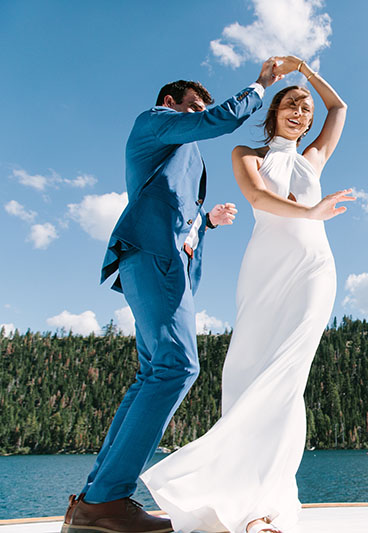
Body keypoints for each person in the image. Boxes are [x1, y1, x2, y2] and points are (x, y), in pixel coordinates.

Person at [62, 60, 279, 533]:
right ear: (170, 104)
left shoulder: (178, 152)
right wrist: (260, 85)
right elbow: (216, 120)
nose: (199, 115)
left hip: (157, 260)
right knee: (179, 366)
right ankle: (104, 500)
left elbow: (174, 207)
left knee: (152, 373)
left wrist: (206, 223)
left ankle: (95, 502)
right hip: (153, 256)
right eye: (193, 107)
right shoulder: (154, 121)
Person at [139, 56, 353, 533]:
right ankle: (236, 496)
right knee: (245, 373)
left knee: (287, 383)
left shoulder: (313, 158)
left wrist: (308, 74)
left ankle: (265, 508)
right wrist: (312, 211)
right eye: (292, 105)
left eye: (305, 109)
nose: (301, 113)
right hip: (263, 273)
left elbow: (339, 108)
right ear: (273, 113)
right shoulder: (246, 155)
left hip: (314, 270)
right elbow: (258, 199)